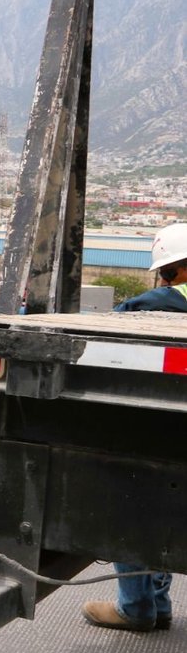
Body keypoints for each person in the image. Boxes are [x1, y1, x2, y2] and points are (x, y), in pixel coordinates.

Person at [81, 222, 187, 631]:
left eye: (165, 273)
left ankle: (137, 607)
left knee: (132, 502)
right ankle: (156, 603)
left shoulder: (158, 303)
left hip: (158, 427)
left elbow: (108, 337)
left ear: (174, 271)